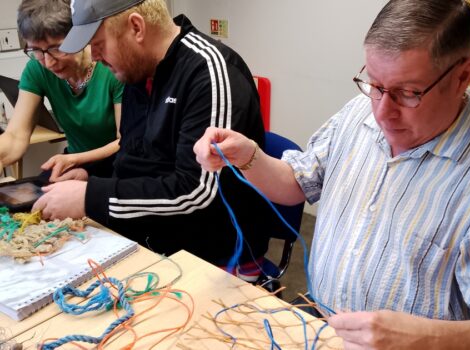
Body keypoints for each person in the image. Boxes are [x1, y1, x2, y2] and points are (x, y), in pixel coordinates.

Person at [193, 0, 470, 348]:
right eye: (374, 84)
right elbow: (297, 183)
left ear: (462, 76)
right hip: (320, 327)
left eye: (408, 93)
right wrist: (249, 157)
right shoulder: (358, 113)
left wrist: (428, 337)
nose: (383, 112)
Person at [32, 0, 283, 275]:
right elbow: (136, 156)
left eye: (99, 44)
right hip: (152, 241)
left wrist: (90, 197)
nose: (93, 56)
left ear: (136, 28)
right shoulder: (137, 73)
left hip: (214, 257)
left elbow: (197, 192)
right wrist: (88, 175)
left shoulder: (209, 71)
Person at [0, 0, 123, 182]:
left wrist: (75, 160)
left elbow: (126, 141)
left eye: (57, 48)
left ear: (79, 37)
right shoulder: (36, 69)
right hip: (72, 163)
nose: (48, 63)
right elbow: (16, 135)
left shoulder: (112, 69)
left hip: (116, 166)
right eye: (37, 51)